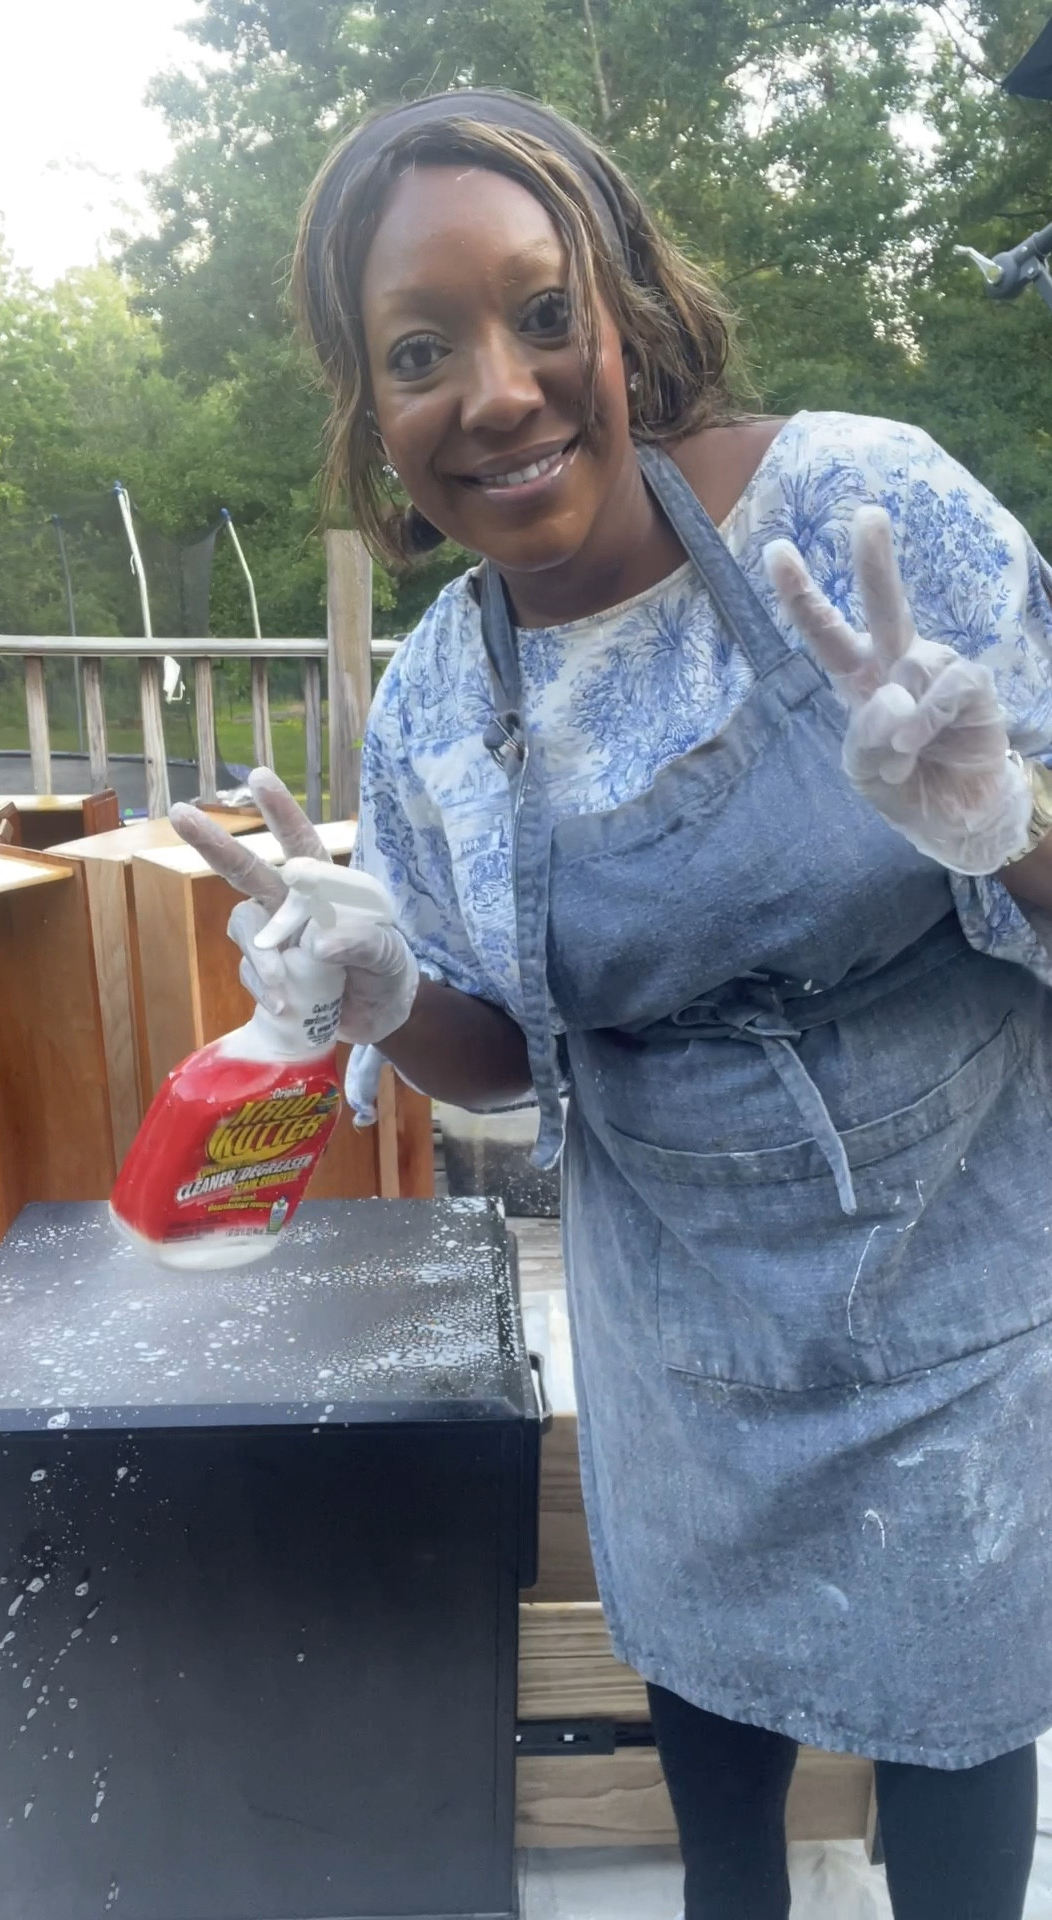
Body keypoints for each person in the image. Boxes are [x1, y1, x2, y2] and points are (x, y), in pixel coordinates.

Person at [176, 89, 1052, 1920]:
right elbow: (502, 1055)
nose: (494, 391)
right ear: (374, 410)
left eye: (540, 310)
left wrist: (1008, 820)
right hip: (683, 1338)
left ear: (625, 312)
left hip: (957, 1298)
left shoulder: (865, 515)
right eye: (421, 351)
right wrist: (389, 993)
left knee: (963, 1754)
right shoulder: (429, 710)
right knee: (711, 1744)